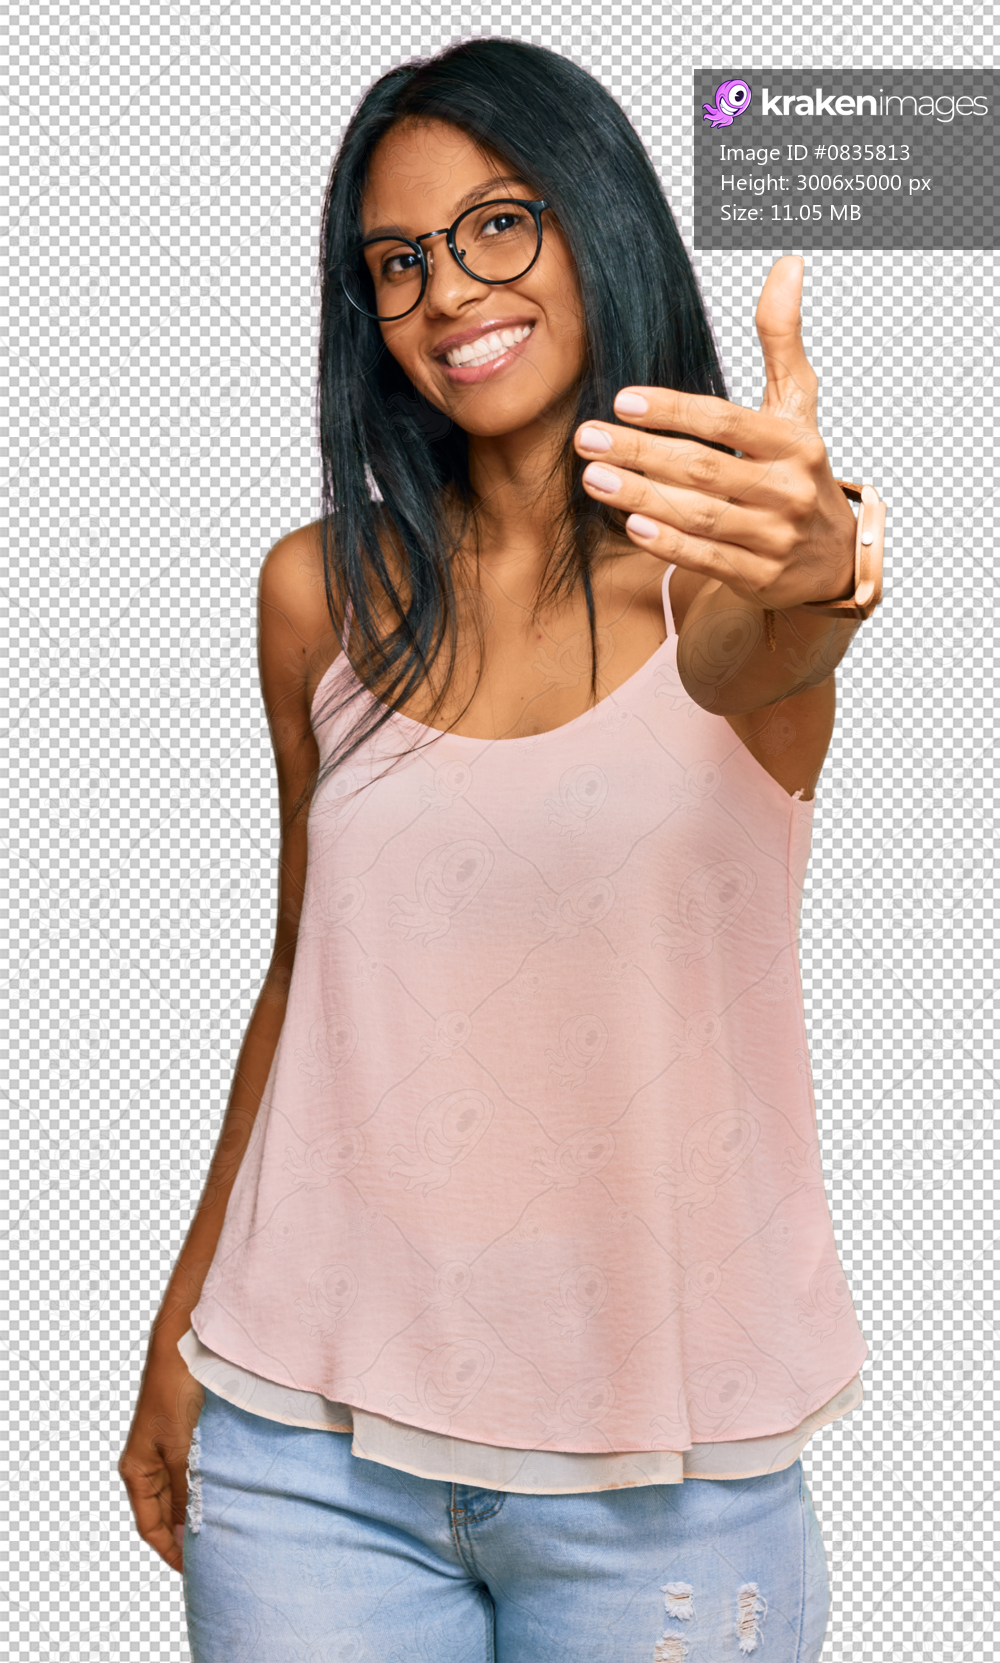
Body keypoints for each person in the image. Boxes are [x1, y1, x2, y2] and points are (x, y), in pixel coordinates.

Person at [119, 38, 881, 1663]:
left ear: (597, 217)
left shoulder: (724, 588)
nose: (446, 291)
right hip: (305, 1452)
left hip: (662, 1480)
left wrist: (826, 566)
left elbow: (788, 637)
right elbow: (302, 981)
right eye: (393, 261)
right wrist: (186, 1326)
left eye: (497, 224)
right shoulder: (320, 594)